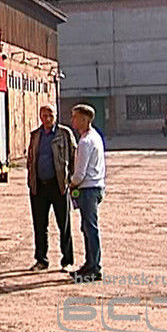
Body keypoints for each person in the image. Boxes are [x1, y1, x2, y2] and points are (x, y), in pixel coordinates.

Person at [26, 104, 77, 272]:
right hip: (39, 187)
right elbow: (31, 159)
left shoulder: (64, 134)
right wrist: (31, 180)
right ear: (40, 117)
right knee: (40, 225)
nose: (47, 119)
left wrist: (71, 180)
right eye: (44, 115)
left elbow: (74, 156)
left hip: (58, 186)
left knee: (64, 224)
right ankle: (41, 260)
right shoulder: (35, 135)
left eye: (50, 115)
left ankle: (67, 261)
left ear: (56, 116)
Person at [68, 104, 106, 282]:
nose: (72, 120)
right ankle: (89, 264)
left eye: (75, 117)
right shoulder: (94, 137)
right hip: (95, 186)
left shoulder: (85, 142)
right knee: (87, 227)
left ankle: (94, 268)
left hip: (88, 188)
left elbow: (80, 173)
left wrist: (71, 184)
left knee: (90, 228)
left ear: (85, 119)